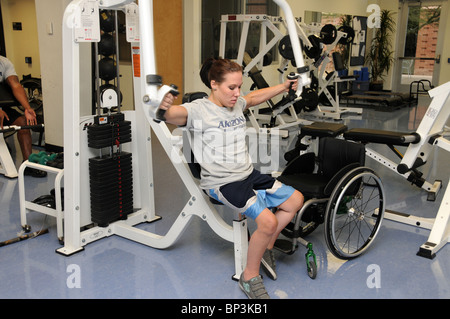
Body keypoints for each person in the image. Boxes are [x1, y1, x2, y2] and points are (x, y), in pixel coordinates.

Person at [160, 58, 304, 299]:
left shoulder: (235, 103)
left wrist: (284, 86)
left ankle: (265, 247)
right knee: (267, 222)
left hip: (248, 174)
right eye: (232, 88)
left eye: (239, 86)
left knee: (295, 200)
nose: (238, 93)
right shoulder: (198, 109)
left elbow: (256, 97)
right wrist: (163, 107)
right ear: (214, 84)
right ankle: (249, 276)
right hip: (223, 183)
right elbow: (173, 114)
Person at [0, 55, 46, 177]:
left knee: (23, 123)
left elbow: (15, 85)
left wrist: (28, 108)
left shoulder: (4, 62)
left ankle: (28, 165)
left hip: (2, 108)